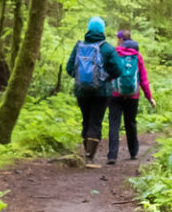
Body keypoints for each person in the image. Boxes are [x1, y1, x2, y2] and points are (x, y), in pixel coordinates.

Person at [65, 17, 122, 165]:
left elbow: (69, 68)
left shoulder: (79, 47)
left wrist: (80, 78)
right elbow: (118, 70)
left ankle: (86, 152)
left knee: (86, 120)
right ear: (102, 29)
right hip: (102, 92)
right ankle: (90, 156)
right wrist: (106, 78)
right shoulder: (108, 48)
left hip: (82, 91)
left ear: (89, 29)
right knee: (96, 121)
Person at [107, 28, 156, 164]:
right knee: (131, 123)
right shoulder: (137, 56)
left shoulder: (115, 54)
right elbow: (143, 79)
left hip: (115, 94)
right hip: (133, 95)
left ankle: (112, 155)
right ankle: (133, 152)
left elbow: (108, 73)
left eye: (118, 38)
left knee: (114, 124)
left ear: (122, 39)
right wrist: (149, 97)